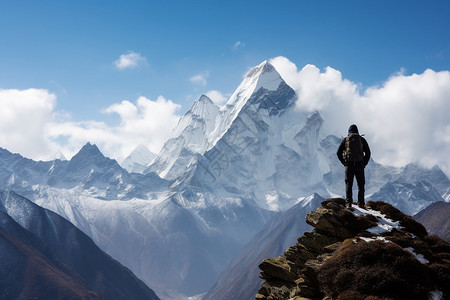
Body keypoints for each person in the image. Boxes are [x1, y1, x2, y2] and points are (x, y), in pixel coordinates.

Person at [336, 124, 371, 208]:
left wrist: (344, 163)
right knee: (361, 185)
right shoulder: (362, 140)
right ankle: (361, 203)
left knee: (349, 184)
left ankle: (348, 203)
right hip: (360, 165)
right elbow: (368, 153)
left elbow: (338, 153)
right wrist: (363, 164)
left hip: (349, 165)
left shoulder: (346, 140)